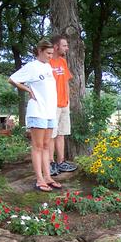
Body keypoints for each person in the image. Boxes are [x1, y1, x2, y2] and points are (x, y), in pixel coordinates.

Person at [8, 39, 62, 192]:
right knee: (37, 146)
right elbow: (12, 79)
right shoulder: (32, 66)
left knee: (46, 146)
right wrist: (27, 90)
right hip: (37, 111)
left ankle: (48, 177)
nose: (51, 56)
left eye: (52, 53)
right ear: (40, 51)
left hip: (49, 112)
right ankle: (39, 179)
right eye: (48, 53)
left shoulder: (48, 66)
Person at [48, 35, 78, 176]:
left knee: (61, 134)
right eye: (64, 45)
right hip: (51, 105)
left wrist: (67, 100)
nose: (67, 48)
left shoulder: (62, 62)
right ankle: (50, 164)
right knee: (51, 135)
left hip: (63, 104)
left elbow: (66, 81)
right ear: (56, 47)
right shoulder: (46, 64)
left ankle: (61, 162)